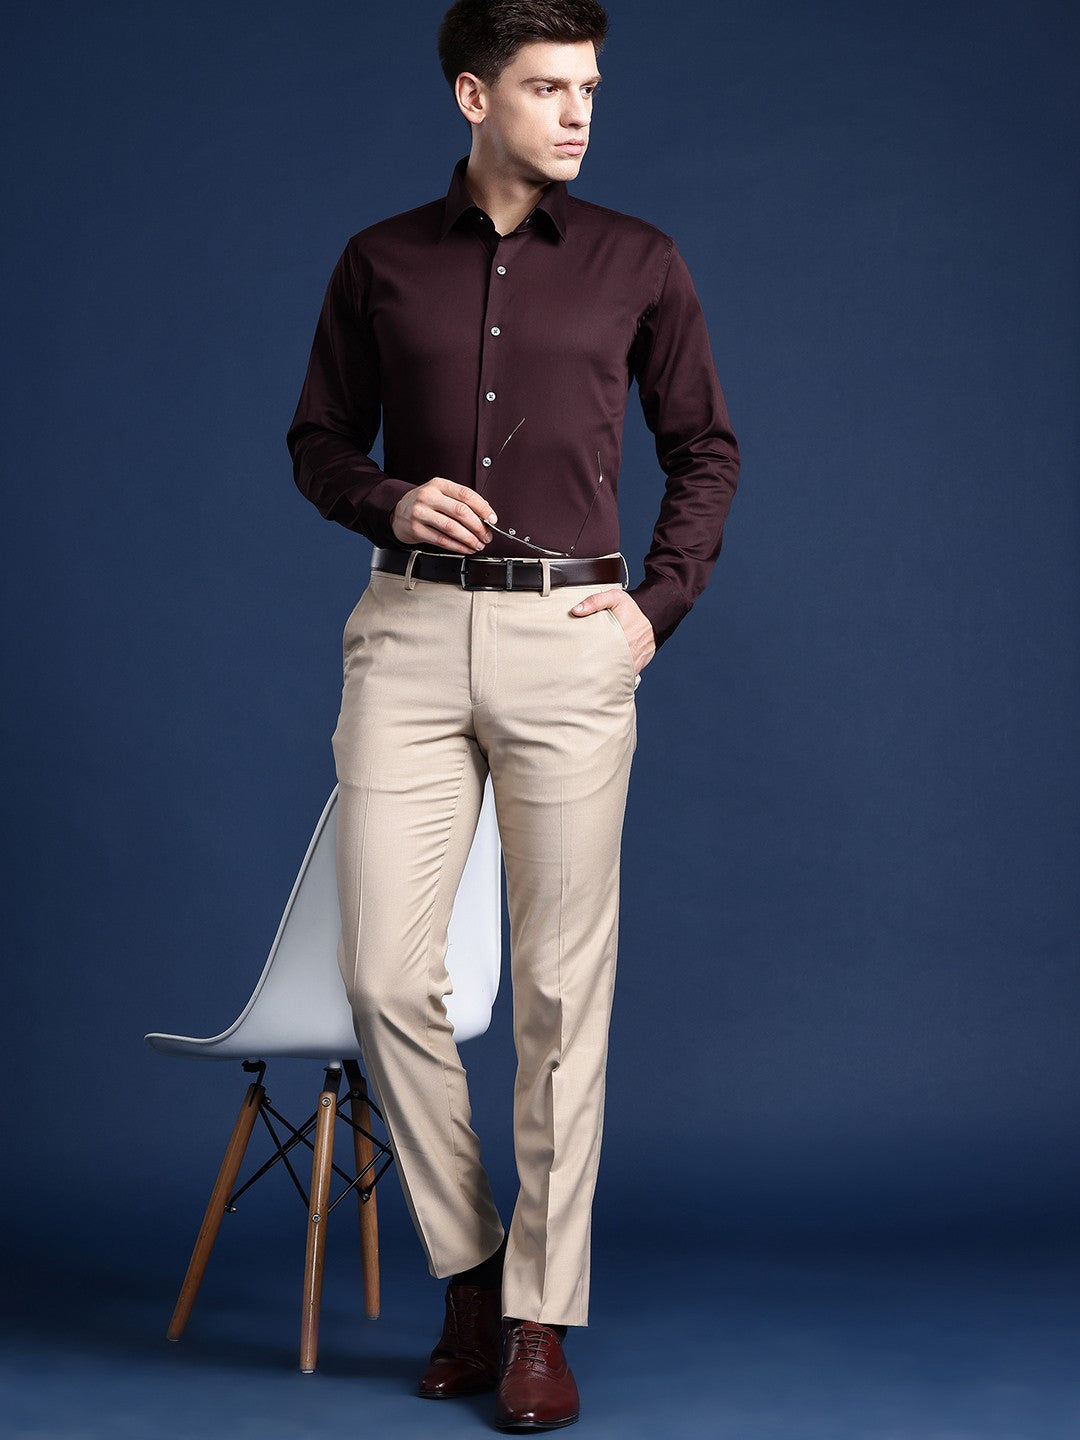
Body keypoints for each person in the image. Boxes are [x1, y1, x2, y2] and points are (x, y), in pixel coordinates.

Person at [286, 0, 739, 1428]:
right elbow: (315, 439)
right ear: (474, 96)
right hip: (409, 636)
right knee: (383, 978)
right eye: (548, 87)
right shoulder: (378, 261)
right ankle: (472, 1267)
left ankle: (538, 1318)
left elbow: (706, 447)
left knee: (557, 993)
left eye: (589, 86)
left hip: (570, 641)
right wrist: (387, 496)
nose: (579, 111)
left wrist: (657, 607)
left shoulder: (638, 260)